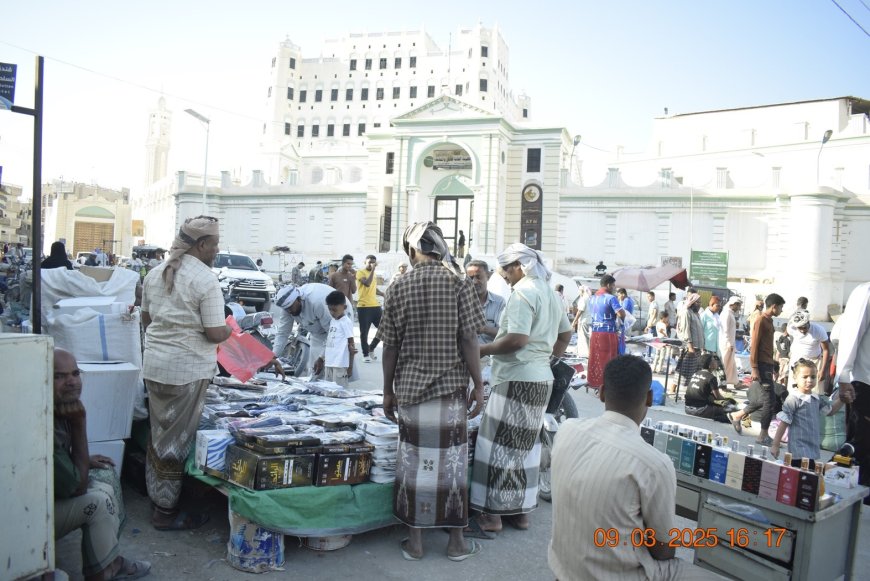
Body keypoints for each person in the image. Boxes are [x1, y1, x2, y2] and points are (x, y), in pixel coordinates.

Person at [548, 355, 721, 581]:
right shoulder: (654, 464)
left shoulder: (567, 429)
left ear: (601, 393)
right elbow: (664, 550)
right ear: (649, 398)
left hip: (565, 569)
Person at [376, 221, 485, 562]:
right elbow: (470, 338)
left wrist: (387, 391)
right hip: (450, 390)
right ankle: (456, 543)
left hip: (409, 391)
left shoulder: (397, 287)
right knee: (452, 467)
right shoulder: (459, 283)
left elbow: (389, 347)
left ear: (412, 250)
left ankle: (416, 544)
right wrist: (479, 385)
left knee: (414, 465)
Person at [471, 243, 573, 532]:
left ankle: (492, 516)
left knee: (496, 446)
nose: (502, 275)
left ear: (519, 266)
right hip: (540, 378)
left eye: (504, 268)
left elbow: (516, 339)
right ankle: (520, 513)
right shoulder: (550, 294)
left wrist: (481, 351)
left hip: (516, 378)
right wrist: (546, 358)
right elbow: (565, 334)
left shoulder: (523, 293)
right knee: (525, 447)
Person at [141, 216, 231, 530]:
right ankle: (165, 511)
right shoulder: (205, 279)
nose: (217, 250)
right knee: (176, 442)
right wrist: (231, 331)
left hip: (155, 366)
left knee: (159, 434)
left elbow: (146, 320)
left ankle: (157, 497)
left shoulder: (155, 273)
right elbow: (215, 333)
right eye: (215, 244)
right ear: (202, 245)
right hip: (187, 371)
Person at [53, 348, 152, 581]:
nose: (71, 382)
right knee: (98, 502)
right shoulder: (47, 418)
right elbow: (76, 486)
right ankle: (102, 572)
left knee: (106, 479)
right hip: (30, 518)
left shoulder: (60, 408)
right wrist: (80, 423)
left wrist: (85, 460)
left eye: (75, 374)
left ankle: (109, 561)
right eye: (59, 376)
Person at [728, 293, 786, 445]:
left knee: (767, 399)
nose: (781, 310)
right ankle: (762, 435)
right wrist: (754, 368)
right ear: (774, 306)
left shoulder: (769, 321)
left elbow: (766, 347)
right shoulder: (761, 320)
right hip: (760, 365)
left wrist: (774, 364)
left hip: (767, 364)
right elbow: (754, 345)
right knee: (769, 401)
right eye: (780, 307)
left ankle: (738, 415)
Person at [833, 282, 869, 497]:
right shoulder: (866, 293)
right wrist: (844, 376)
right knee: (858, 445)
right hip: (864, 383)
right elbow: (847, 335)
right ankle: (820, 487)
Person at [771, 359, 847, 461]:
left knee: (809, 472)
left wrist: (842, 399)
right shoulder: (794, 399)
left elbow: (830, 410)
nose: (809, 380)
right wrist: (775, 445)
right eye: (805, 377)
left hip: (813, 446)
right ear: (795, 378)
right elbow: (784, 423)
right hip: (798, 447)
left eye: (813, 377)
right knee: (800, 472)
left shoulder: (816, 398)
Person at [272, 282, 354, 374]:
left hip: (337, 312)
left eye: (291, 307)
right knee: (315, 370)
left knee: (335, 363)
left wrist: (321, 358)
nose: (289, 311)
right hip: (318, 329)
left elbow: (333, 334)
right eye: (286, 309)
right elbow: (283, 333)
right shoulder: (287, 307)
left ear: (299, 299)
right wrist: (272, 357)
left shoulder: (317, 303)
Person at [586, 275, 626, 390]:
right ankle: (606, 384)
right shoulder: (610, 298)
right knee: (609, 359)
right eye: (613, 285)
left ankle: (594, 382)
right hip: (608, 333)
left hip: (595, 333)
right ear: (608, 285)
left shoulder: (592, 298)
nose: (614, 288)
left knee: (595, 357)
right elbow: (621, 314)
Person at [465, 260, 505, 348]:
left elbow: (504, 333)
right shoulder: (461, 302)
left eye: (478, 277)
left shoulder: (499, 302)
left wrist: (484, 329)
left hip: (489, 357)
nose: (474, 281)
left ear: (488, 276)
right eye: (470, 278)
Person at [787, 310, 830, 393]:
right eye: (800, 328)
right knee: (795, 389)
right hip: (796, 361)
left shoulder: (819, 330)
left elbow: (826, 350)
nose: (802, 330)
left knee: (814, 391)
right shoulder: (791, 327)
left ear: (808, 322)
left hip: (814, 362)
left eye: (804, 327)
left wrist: (823, 370)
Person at [685, 353, 735, 422]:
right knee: (730, 408)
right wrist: (728, 399)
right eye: (714, 361)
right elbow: (718, 397)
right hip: (700, 410)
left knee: (712, 400)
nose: (716, 362)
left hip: (687, 408)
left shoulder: (696, 373)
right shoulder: (711, 377)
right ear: (710, 365)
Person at [670, 292, 704, 396]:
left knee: (694, 371)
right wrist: (690, 346)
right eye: (697, 302)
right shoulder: (686, 312)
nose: (699, 304)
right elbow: (686, 330)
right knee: (683, 370)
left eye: (700, 302)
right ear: (692, 302)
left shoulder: (695, 313)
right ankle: (672, 390)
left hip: (697, 347)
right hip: (689, 347)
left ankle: (690, 392)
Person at [324, 290, 355, 387]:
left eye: (334, 310)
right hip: (329, 363)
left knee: (338, 394)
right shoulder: (333, 321)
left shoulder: (345, 322)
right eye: (330, 309)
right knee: (328, 392)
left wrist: (350, 367)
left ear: (344, 307)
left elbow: (351, 345)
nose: (332, 313)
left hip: (340, 365)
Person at [356, 254, 384, 362]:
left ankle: (371, 347)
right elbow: (367, 283)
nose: (372, 264)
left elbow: (373, 288)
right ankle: (365, 354)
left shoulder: (374, 274)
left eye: (373, 262)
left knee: (384, 329)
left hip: (375, 306)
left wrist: (382, 294)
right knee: (364, 332)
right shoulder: (360, 272)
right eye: (369, 262)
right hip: (364, 307)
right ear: (365, 262)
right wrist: (373, 270)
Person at [719, 296, 742, 387]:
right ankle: (722, 384)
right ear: (733, 304)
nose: (739, 308)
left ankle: (735, 382)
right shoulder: (726, 314)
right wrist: (728, 343)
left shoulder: (730, 313)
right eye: (738, 306)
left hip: (730, 343)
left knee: (731, 363)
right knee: (725, 364)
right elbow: (725, 330)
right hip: (726, 344)